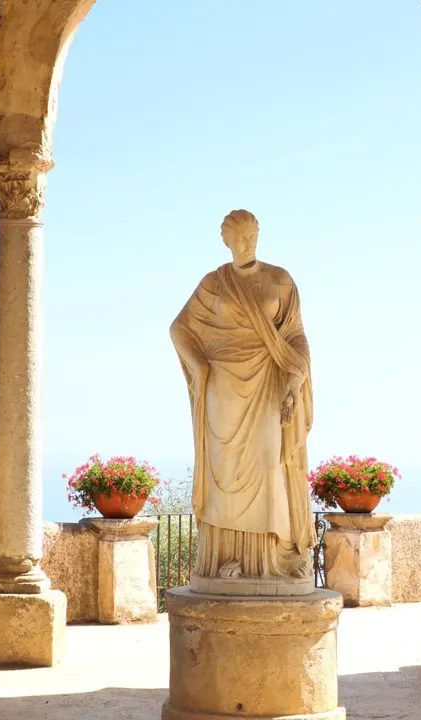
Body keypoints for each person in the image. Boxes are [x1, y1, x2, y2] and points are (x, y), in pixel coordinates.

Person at [169, 209, 315, 584]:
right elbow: (179, 329)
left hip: (266, 382)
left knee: (270, 466)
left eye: (253, 237)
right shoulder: (213, 283)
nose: (248, 244)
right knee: (225, 473)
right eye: (240, 238)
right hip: (222, 388)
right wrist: (199, 367)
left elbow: (296, 336)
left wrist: (295, 378)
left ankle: (271, 561)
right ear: (226, 241)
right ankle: (225, 560)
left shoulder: (280, 281)